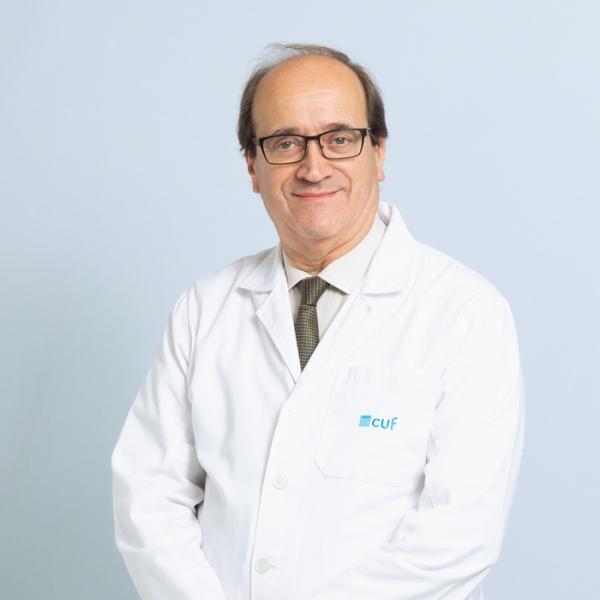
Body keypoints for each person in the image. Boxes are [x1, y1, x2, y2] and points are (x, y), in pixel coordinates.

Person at [112, 44, 524, 600]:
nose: (313, 167)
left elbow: (459, 536)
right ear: (253, 167)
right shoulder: (205, 308)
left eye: (340, 138)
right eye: (285, 143)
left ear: (378, 153)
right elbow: (148, 497)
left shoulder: (466, 313)